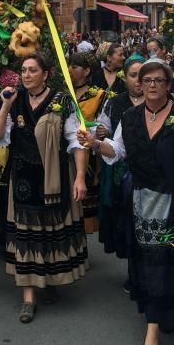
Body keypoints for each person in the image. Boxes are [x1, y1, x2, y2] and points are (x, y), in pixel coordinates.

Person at [84, 58, 174, 345]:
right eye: (146, 80)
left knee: (169, 262)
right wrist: (96, 145)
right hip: (140, 202)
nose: (150, 85)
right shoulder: (131, 117)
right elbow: (116, 151)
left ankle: (158, 322)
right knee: (147, 263)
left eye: (158, 80)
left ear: (168, 85)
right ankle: (155, 322)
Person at [0, 53, 89, 324]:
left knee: (50, 230)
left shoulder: (62, 101)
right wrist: (5, 106)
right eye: (24, 70)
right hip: (22, 178)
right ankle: (28, 297)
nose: (27, 75)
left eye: (33, 70)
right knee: (26, 235)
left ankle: (49, 279)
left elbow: (76, 142)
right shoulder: (15, 99)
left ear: (46, 74)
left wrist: (80, 176)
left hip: (55, 176)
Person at [95, 53, 145, 265]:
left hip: (151, 169)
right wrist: (101, 132)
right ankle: (134, 267)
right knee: (126, 217)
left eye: (142, 75)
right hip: (121, 168)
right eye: (133, 75)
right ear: (125, 78)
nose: (139, 80)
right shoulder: (115, 102)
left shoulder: (159, 100)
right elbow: (103, 125)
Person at [68, 52, 110, 236]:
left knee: (83, 200)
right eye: (68, 65)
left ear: (86, 71)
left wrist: (102, 131)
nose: (69, 70)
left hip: (87, 153)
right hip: (65, 151)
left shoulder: (98, 95)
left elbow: (103, 122)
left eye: (75, 67)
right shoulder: (63, 93)